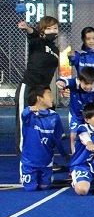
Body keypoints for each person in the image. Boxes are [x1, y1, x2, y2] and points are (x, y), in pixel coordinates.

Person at [16, 16, 60, 155]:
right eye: (48, 28)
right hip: (29, 87)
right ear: (42, 31)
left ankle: (45, 158)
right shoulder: (38, 42)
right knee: (25, 121)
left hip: (43, 90)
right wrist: (27, 28)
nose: (52, 31)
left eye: (55, 28)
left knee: (45, 123)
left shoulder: (56, 50)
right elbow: (32, 34)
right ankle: (25, 156)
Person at [19, 86, 66, 191]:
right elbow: (24, 115)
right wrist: (30, 109)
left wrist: (63, 154)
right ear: (39, 98)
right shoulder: (29, 115)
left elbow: (57, 138)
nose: (52, 97)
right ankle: (25, 175)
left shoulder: (55, 116)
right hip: (29, 162)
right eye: (49, 94)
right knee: (30, 188)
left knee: (45, 187)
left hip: (46, 162)